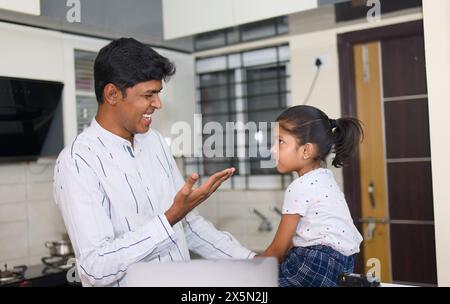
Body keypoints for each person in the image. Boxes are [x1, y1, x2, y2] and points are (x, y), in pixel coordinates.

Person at [53, 38, 255, 287]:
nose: (157, 104)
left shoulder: (155, 142)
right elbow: (94, 268)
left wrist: (252, 261)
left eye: (158, 93)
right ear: (112, 94)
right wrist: (169, 218)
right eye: (148, 95)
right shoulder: (77, 161)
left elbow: (189, 227)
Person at [259, 105, 364, 287]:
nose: (273, 149)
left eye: (280, 141)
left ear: (306, 150)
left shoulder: (299, 187)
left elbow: (279, 248)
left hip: (315, 263)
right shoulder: (326, 179)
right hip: (344, 265)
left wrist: (249, 269)